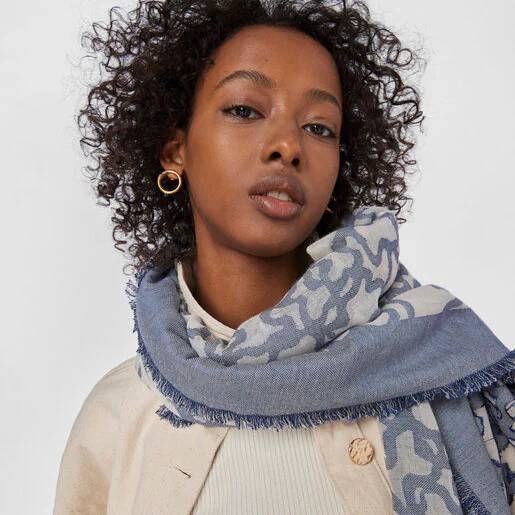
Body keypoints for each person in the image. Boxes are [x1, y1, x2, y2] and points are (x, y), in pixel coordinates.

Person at [53, 1, 515, 514]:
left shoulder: (445, 367)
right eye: (245, 110)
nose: (287, 146)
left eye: (320, 127)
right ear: (174, 150)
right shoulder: (117, 419)